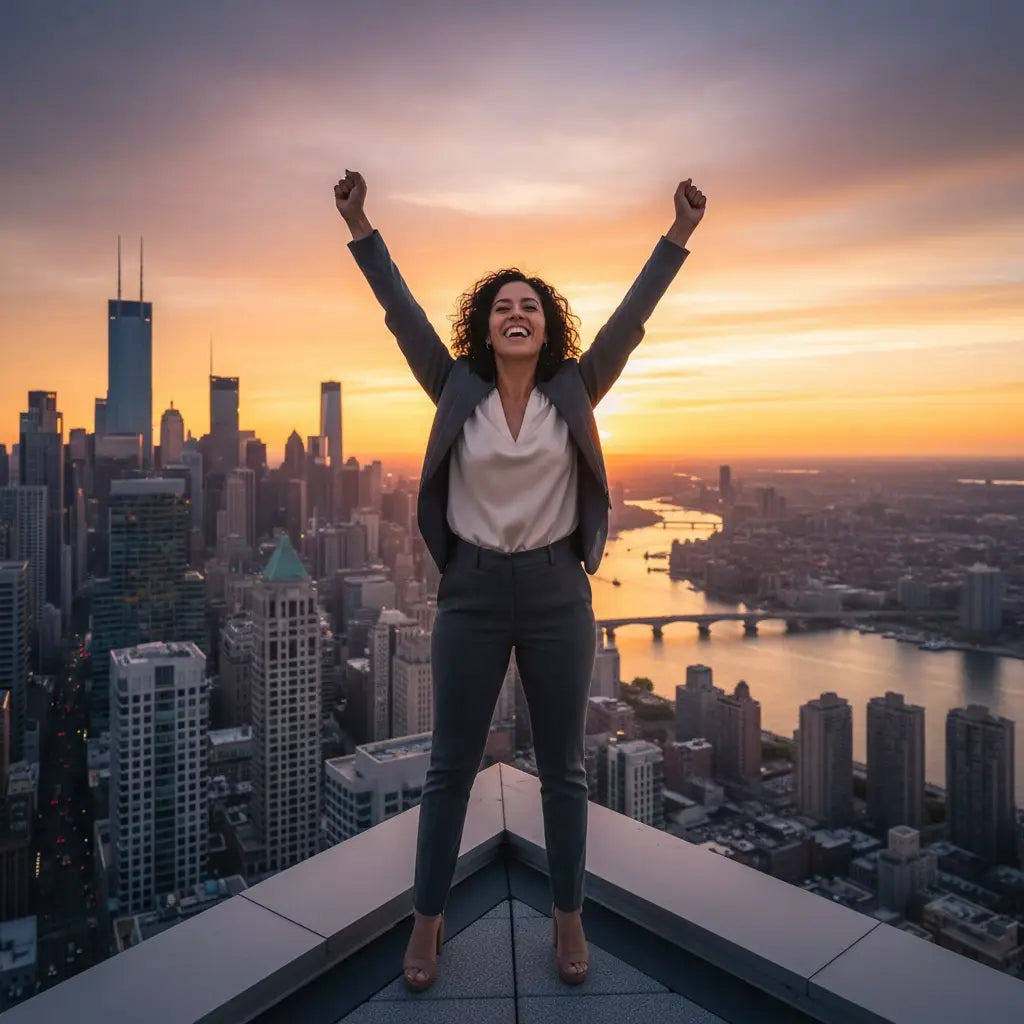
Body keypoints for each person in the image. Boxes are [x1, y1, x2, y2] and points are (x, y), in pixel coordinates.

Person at [334, 168, 706, 991]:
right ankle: (425, 926)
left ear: (548, 328)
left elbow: (633, 320)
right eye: (501, 305)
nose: (515, 313)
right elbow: (400, 313)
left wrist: (676, 234)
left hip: (555, 593)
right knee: (449, 767)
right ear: (483, 324)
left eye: (529, 305)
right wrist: (362, 225)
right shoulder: (453, 384)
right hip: (469, 592)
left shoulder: (575, 388)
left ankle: (568, 919)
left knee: (566, 766)